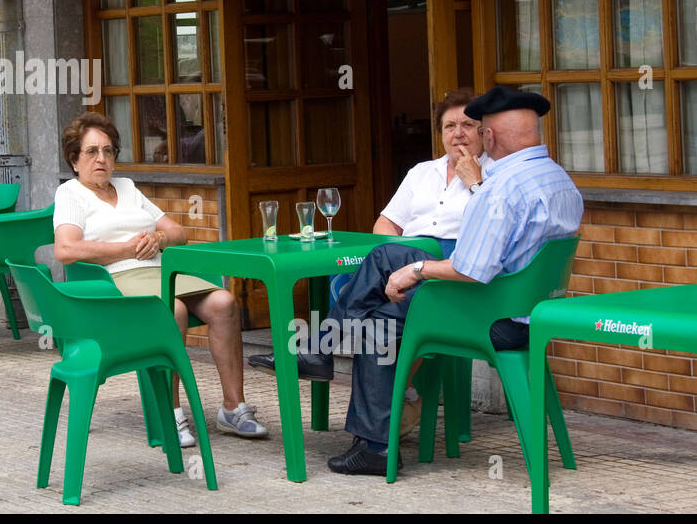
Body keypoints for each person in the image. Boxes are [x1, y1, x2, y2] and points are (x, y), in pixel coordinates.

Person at [325, 85, 583, 475]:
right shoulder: (558, 178)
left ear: (488, 136)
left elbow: (471, 269)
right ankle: (327, 350)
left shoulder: (502, 188)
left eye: (472, 127)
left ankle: (374, 445)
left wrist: (417, 270)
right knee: (387, 258)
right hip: (532, 313)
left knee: (377, 322)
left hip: (494, 317)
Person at [249, 88, 491, 436]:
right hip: (404, 265)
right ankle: (376, 437)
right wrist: (395, 261)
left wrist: (474, 182)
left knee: (366, 300)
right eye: (449, 125)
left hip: (450, 274)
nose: (458, 134)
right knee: (365, 312)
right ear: (440, 132)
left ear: (484, 131)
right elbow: (387, 222)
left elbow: (491, 238)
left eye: (467, 125)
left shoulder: (494, 177)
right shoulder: (423, 172)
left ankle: (324, 353)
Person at [52, 111, 269, 445]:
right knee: (175, 311)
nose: (102, 159)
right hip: (115, 279)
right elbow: (66, 250)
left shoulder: (127, 187)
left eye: (108, 151)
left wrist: (159, 240)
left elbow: (178, 231)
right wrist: (125, 249)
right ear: (74, 159)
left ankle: (232, 408)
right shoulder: (70, 194)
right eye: (92, 151)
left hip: (159, 270)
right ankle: (170, 413)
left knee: (224, 302)